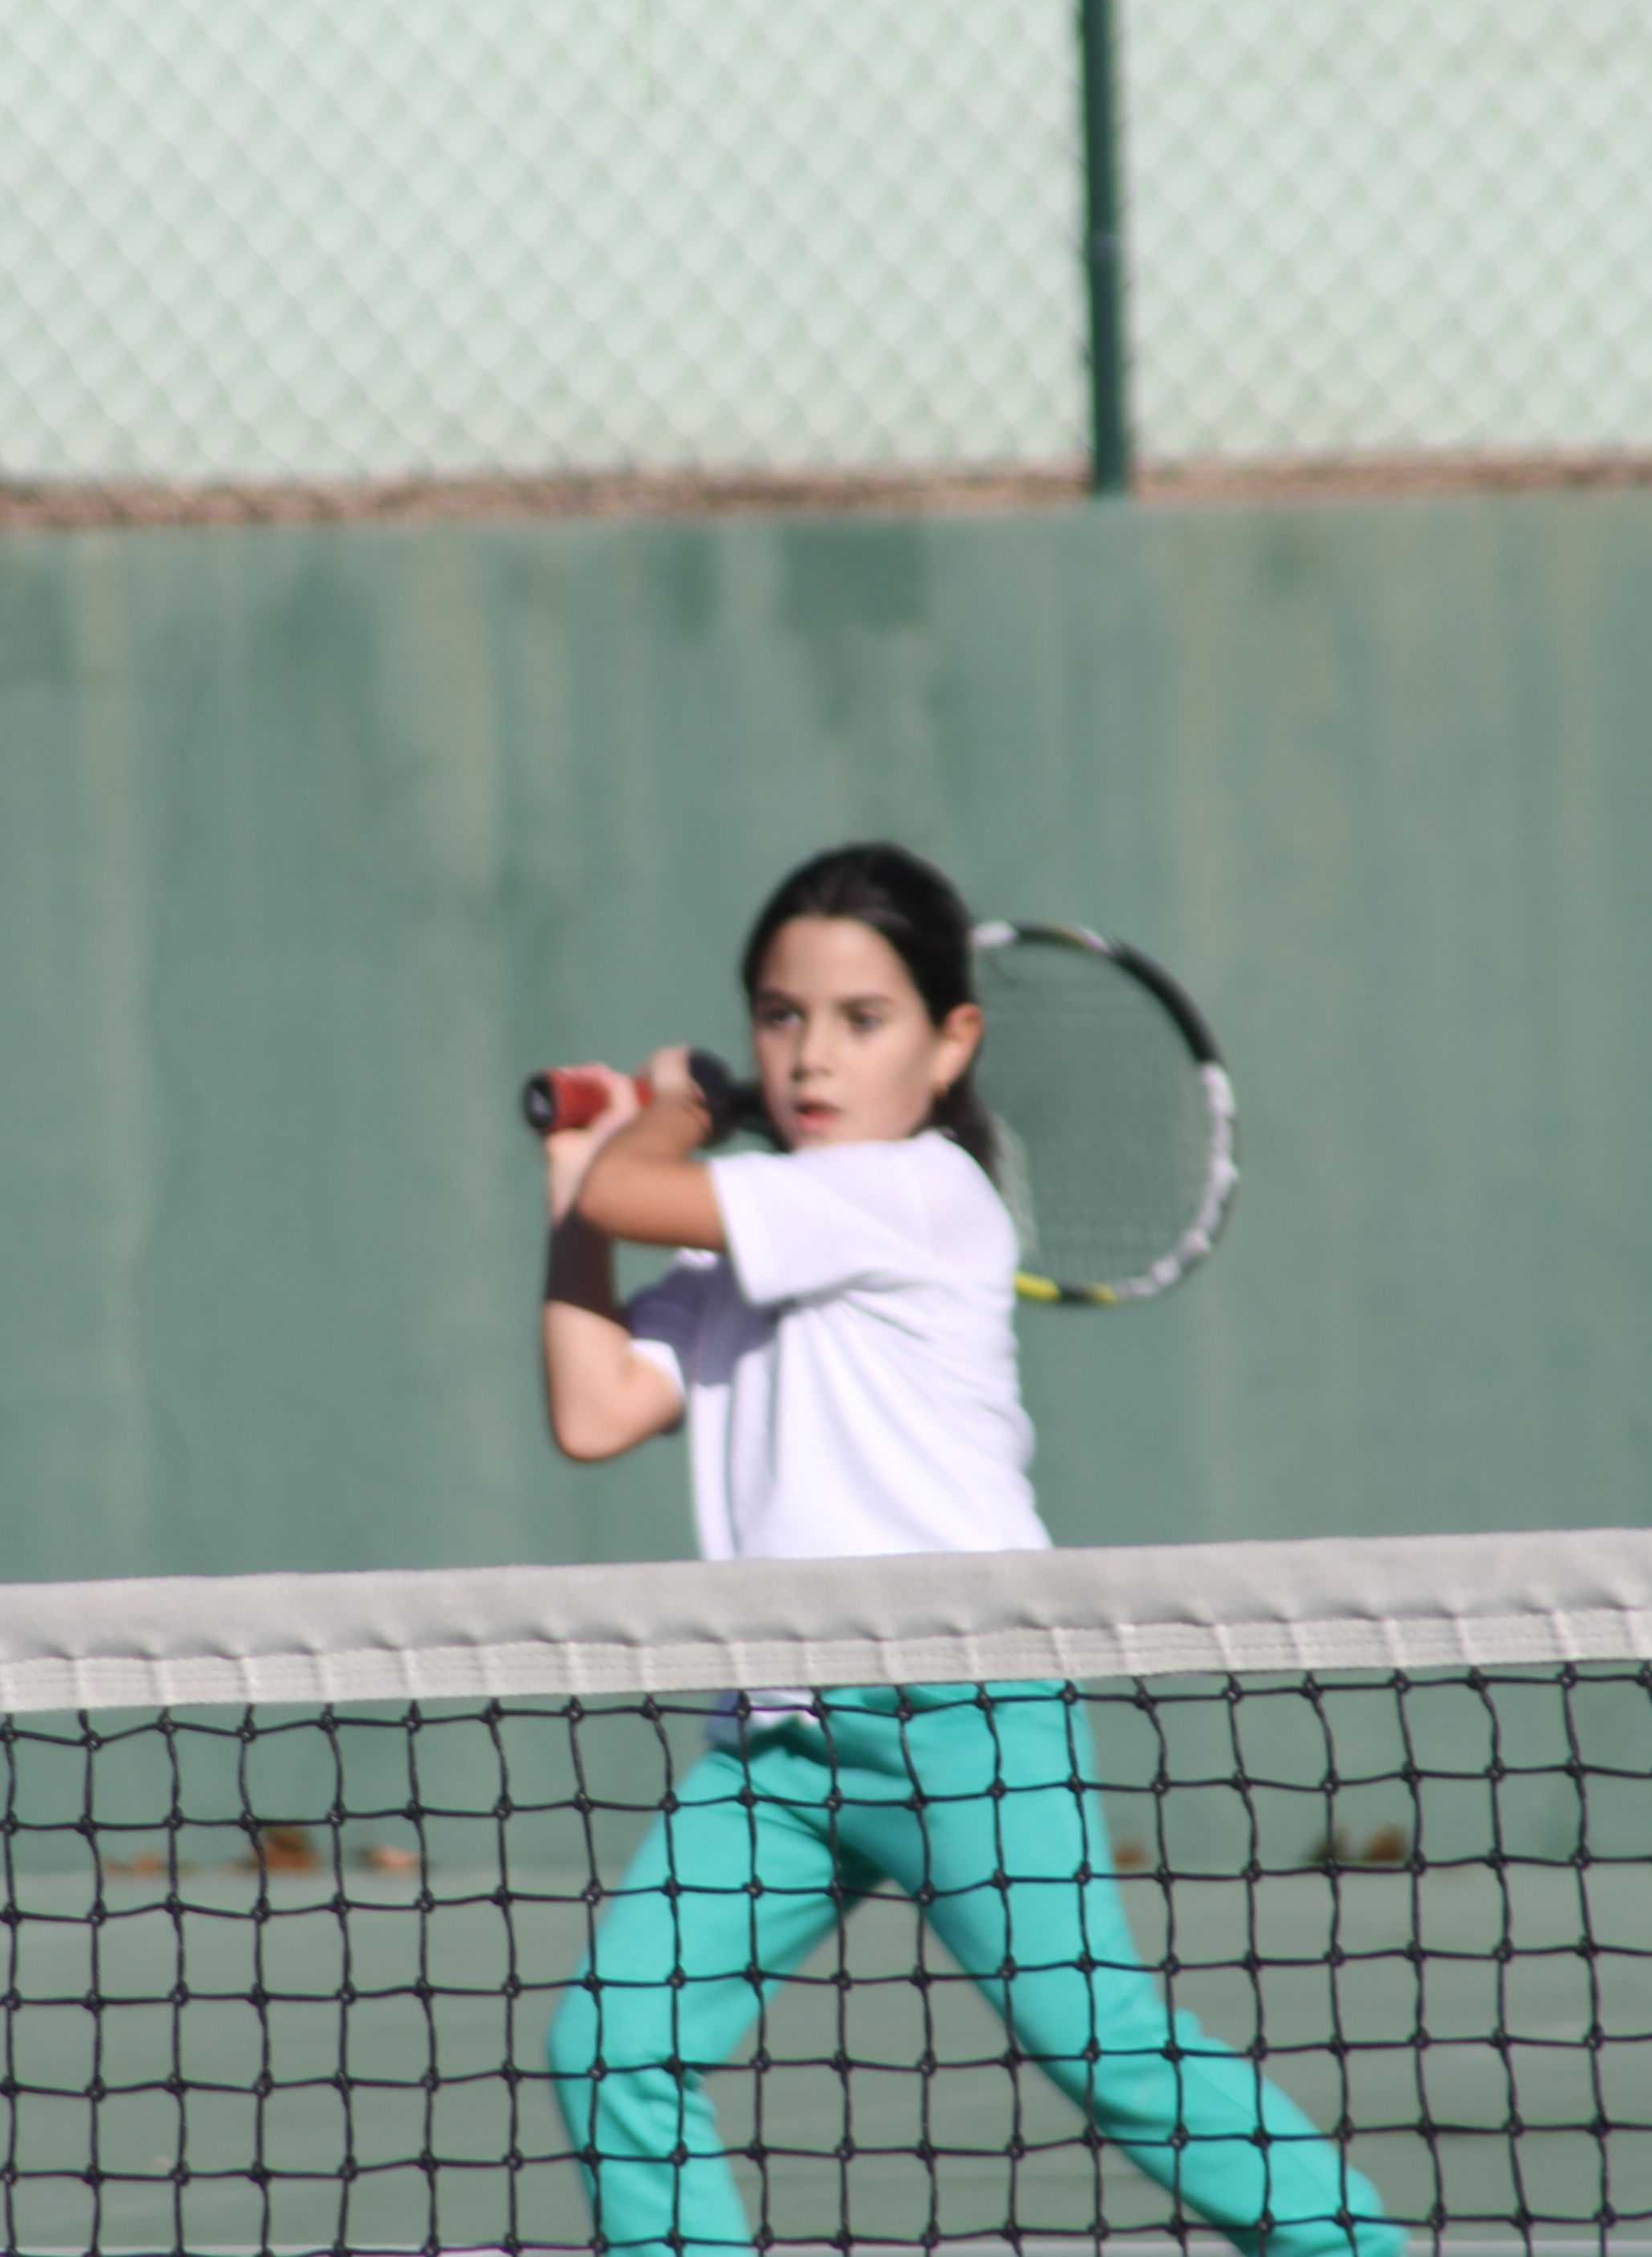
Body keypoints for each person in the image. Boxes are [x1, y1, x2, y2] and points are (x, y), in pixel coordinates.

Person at [533, 841, 1403, 2257]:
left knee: (1109, 2052)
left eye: (861, 1019)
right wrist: (574, 1182)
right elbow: (593, 1409)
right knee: (612, 2045)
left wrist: (664, 1120)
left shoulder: (918, 1192)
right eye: (780, 1016)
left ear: (951, 1046)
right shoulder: (746, 1242)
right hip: (783, 1747)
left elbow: (643, 1197)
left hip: (966, 1717)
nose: (811, 1055)